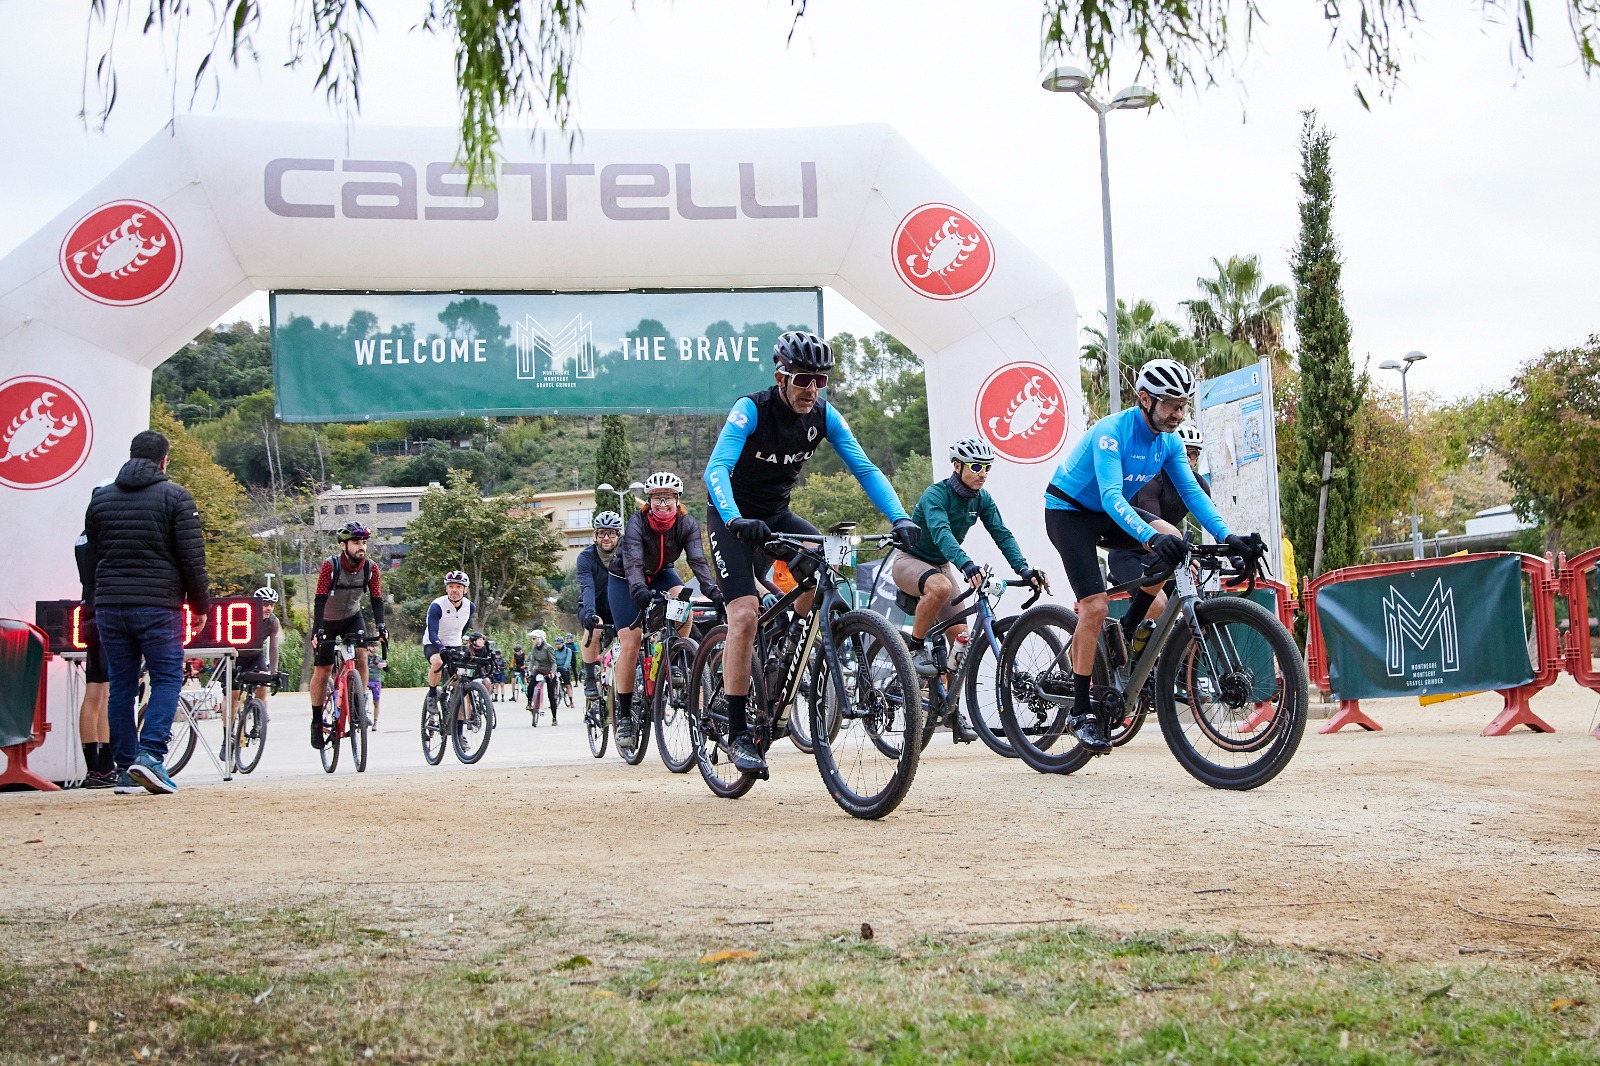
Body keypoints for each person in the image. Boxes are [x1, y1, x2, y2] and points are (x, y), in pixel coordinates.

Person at [704, 331, 920, 774]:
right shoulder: (751, 410)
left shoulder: (824, 414)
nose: (812, 389)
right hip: (732, 519)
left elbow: (864, 467)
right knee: (743, 614)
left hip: (777, 515)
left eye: (820, 380)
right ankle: (740, 731)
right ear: (780, 375)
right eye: (803, 378)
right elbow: (717, 469)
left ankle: (786, 645)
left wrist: (899, 516)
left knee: (825, 573)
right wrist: (733, 518)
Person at [1043, 359, 1262, 753]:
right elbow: (1110, 496)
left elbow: (1194, 493)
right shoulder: (1112, 433)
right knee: (1093, 608)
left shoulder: (1170, 442)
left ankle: (1126, 628)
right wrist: (1146, 537)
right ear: (1144, 399)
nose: (1178, 413)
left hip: (1110, 513)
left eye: (1183, 405)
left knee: (1174, 537)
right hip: (1070, 513)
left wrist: (1227, 536)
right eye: (1170, 404)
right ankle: (1079, 712)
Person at [83, 430, 210, 795]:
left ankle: (124, 769)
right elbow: (192, 558)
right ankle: (150, 755)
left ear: (132, 455)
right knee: (167, 679)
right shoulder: (175, 497)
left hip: (110, 607)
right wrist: (200, 605)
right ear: (164, 460)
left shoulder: (101, 500)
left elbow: (91, 556)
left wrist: (96, 601)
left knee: (122, 687)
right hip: (157, 606)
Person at [894, 437, 1049, 678]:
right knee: (940, 586)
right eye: (976, 466)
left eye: (987, 467)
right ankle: (914, 648)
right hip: (910, 560)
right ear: (957, 466)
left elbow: (1003, 535)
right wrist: (966, 564)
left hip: (941, 565)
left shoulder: (982, 499)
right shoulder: (936, 494)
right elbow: (941, 532)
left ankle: (950, 712)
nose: (983, 473)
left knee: (960, 644)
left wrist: (1024, 569)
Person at [607, 471, 723, 746]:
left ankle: (677, 655)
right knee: (631, 641)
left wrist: (712, 591)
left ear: (677, 499)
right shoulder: (637, 522)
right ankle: (624, 717)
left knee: (683, 603)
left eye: (668, 498)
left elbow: (697, 560)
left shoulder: (686, 524)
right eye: (657, 499)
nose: (663, 504)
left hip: (661, 573)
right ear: (648, 501)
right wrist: (637, 590)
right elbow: (633, 561)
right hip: (625, 579)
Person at [1104, 419, 1211, 635]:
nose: (1189, 460)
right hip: (1130, 553)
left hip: (1163, 553)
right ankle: (1124, 645)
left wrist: (1228, 546)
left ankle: (1169, 664)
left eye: (1194, 454)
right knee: (1157, 604)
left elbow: (1210, 518)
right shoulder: (1153, 480)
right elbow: (1153, 524)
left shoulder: (1199, 485)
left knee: (1195, 609)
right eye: (1184, 453)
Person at [309, 523, 386, 748]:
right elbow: (320, 599)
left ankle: (358, 704)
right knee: (322, 671)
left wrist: (381, 626)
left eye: (363, 543)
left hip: (353, 617)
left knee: (361, 655)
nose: (361, 547)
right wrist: (318, 630)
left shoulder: (371, 568)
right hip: (328, 621)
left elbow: (376, 599)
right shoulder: (330, 566)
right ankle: (316, 721)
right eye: (356, 543)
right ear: (344, 545)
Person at [73, 528, 114, 789]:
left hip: (89, 610)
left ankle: (93, 769)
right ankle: (107, 766)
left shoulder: (82, 537)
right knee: (108, 692)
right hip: (110, 610)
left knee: (93, 691)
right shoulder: (108, 534)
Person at [576, 510, 623, 699]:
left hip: (618, 607)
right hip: (593, 606)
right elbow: (587, 588)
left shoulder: (626, 555)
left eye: (611, 533)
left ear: (618, 535)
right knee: (594, 628)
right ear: (595, 535)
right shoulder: (585, 558)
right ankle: (589, 678)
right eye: (602, 532)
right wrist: (590, 614)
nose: (606, 537)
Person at [230, 585, 282, 734]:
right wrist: (232, 664)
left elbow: (273, 647)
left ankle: (259, 719)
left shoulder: (273, 621)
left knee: (263, 683)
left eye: (272, 605)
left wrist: (274, 672)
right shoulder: (243, 615)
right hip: (237, 656)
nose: (269, 608)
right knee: (234, 694)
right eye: (265, 604)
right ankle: (230, 730)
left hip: (256, 656)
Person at [424, 571, 476, 719]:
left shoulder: (470, 607)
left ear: (465, 589)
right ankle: (432, 695)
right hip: (433, 643)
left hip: (454, 644)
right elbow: (432, 632)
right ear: (446, 588)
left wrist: (459, 640)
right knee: (438, 662)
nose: (454, 590)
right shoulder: (437, 605)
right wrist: (441, 648)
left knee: (459, 688)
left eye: (459, 586)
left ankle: (459, 733)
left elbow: (464, 627)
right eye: (451, 586)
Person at [525, 629, 559, 723]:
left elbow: (553, 662)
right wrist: (529, 671)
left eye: (534, 638)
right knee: (531, 685)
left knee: (551, 695)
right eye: (532, 639)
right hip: (539, 670)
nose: (533, 640)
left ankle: (554, 717)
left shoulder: (548, 648)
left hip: (549, 672)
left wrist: (552, 672)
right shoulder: (534, 648)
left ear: (540, 639)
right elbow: (532, 661)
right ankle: (529, 702)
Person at [552, 634, 576, 708]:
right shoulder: (555, 651)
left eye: (559, 644)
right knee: (554, 685)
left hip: (565, 669)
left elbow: (568, 660)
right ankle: (554, 701)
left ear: (562, 643)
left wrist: (565, 667)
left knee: (567, 685)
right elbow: (553, 660)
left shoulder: (567, 650)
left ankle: (571, 701)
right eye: (557, 644)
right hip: (557, 668)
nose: (558, 646)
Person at [366, 656, 386, 728]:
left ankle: (375, 722)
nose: (374, 648)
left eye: (375, 646)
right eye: (372, 646)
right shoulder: (363, 657)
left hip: (376, 681)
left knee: (376, 702)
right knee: (363, 700)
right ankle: (362, 718)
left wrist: (385, 665)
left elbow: (387, 669)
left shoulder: (379, 658)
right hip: (366, 680)